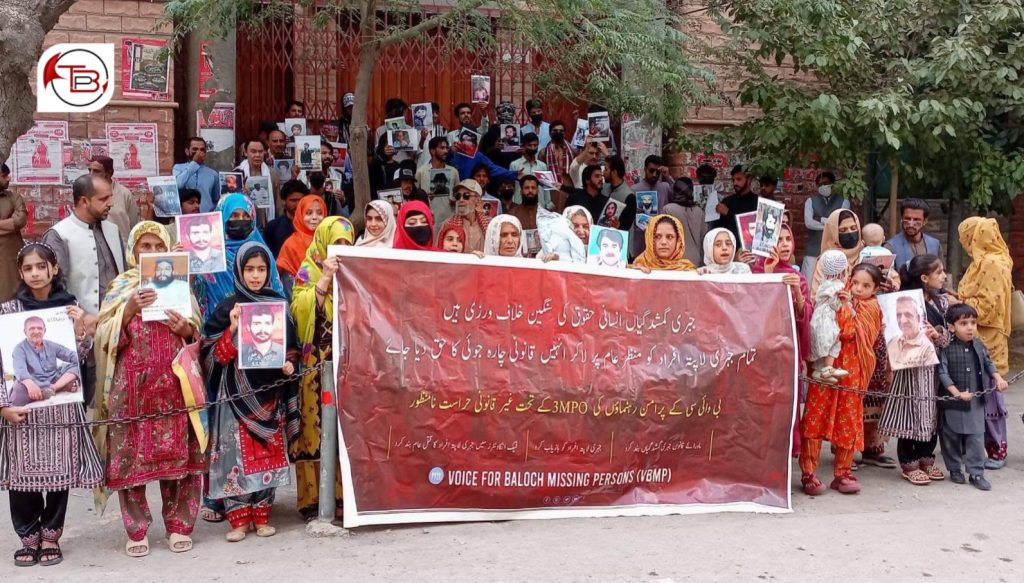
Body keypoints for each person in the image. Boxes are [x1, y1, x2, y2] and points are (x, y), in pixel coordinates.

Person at [93, 222, 204, 558]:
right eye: (146, 246)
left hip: (174, 387)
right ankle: (136, 528)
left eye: (159, 247)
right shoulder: (121, 287)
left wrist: (185, 329)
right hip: (132, 388)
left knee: (182, 456)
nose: (153, 252)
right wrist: (128, 310)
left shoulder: (180, 285)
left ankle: (179, 525)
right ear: (133, 251)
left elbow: (196, 333)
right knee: (129, 458)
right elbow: (102, 337)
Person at [0, 242, 103, 567]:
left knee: (60, 476)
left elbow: (78, 358)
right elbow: (4, 364)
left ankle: (50, 537)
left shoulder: (68, 309)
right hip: (22, 410)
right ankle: (28, 538)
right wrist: (3, 407)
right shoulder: (8, 313)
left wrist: (82, 332)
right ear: (21, 273)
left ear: (53, 269)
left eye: (41, 267)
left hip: (60, 409)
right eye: (28, 268)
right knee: (21, 479)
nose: (35, 273)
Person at [203, 242, 300, 541]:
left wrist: (289, 364)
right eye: (249, 269)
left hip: (269, 395)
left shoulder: (278, 306)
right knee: (235, 456)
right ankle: (239, 520)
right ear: (239, 271)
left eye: (261, 269)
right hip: (234, 397)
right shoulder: (227, 308)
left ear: (269, 271)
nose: (255, 276)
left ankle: (262, 515)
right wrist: (232, 328)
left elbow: (292, 348)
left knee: (266, 452)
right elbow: (212, 357)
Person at [799, 263, 884, 495]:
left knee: (848, 421)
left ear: (875, 289)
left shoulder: (872, 308)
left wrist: (844, 306)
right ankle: (808, 472)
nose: (858, 289)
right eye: (854, 282)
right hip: (825, 370)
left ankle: (843, 473)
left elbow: (850, 332)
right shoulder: (833, 293)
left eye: (865, 286)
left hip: (851, 374)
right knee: (815, 417)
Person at [42, 174, 125, 408]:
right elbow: (52, 288)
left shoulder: (112, 229)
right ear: (84, 201)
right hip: (81, 334)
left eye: (110, 197)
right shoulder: (59, 235)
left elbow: (124, 274)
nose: (110, 203)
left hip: (117, 327)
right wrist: (81, 315)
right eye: (104, 199)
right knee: (86, 398)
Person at [291, 217, 355, 521]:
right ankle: (313, 499)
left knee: (343, 429)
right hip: (314, 364)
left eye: (346, 243)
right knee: (313, 429)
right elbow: (298, 309)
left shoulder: (356, 274)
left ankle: (343, 496)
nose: (340, 248)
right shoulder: (308, 270)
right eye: (335, 242)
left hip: (347, 366)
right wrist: (325, 279)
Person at [878, 254, 951, 485]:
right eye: (939, 272)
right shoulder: (905, 300)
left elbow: (948, 337)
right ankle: (908, 461)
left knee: (932, 413)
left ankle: (926, 457)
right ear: (924, 278)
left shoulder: (941, 303)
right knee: (911, 412)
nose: (944, 276)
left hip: (934, 369)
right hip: (910, 368)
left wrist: (937, 335)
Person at [956, 216, 1013, 469]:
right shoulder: (987, 260)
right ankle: (976, 445)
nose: (964, 242)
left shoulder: (991, 263)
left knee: (989, 396)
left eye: (965, 237)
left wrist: (959, 304)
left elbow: (988, 307)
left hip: (987, 339)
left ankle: (997, 448)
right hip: (975, 337)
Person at [754, 223, 813, 457]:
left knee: (787, 400)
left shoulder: (798, 277)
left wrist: (797, 291)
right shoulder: (756, 273)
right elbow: (753, 309)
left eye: (788, 239)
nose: (785, 245)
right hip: (762, 349)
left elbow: (804, 315)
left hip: (788, 348)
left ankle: (787, 450)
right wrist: (768, 275)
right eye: (779, 240)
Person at [937, 303, 1010, 491]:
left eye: (973, 323)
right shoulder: (946, 348)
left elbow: (988, 363)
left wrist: (998, 379)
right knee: (950, 437)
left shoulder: (979, 345)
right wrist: (956, 393)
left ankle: (976, 473)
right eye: (963, 323)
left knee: (976, 438)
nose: (970, 327)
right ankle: (954, 469)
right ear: (952, 327)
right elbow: (943, 372)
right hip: (952, 403)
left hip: (976, 402)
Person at [200, 194, 284, 317]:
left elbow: (276, 293)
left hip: (258, 321)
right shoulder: (208, 255)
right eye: (234, 216)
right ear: (222, 217)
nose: (241, 220)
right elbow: (198, 291)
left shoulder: (262, 252)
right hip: (218, 322)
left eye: (246, 216)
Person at [809, 250, 852, 383]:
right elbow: (835, 305)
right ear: (842, 270)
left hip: (817, 318)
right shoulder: (838, 286)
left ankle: (818, 370)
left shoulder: (823, 282)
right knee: (834, 341)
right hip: (827, 319)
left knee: (822, 343)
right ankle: (828, 368)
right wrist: (846, 301)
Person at [86, 156, 144, 247]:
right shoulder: (86, 194)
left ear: (109, 173)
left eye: (96, 171)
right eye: (90, 170)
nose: (91, 174)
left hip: (121, 248)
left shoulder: (125, 194)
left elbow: (134, 226)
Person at [801, 171, 849, 280]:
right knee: (809, 281)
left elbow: (842, 223)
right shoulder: (810, 201)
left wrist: (821, 219)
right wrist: (830, 224)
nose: (823, 186)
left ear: (833, 184)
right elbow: (809, 223)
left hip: (835, 249)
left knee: (834, 282)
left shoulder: (844, 201)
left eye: (825, 183)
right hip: (814, 249)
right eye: (820, 184)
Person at [276, 195, 326, 278]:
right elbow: (286, 279)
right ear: (300, 215)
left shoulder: (329, 241)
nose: (314, 217)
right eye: (308, 213)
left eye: (319, 213)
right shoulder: (291, 244)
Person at [660, 177, 706, 267]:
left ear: (675, 191)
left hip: (675, 260)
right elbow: (703, 237)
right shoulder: (699, 211)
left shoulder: (668, 209)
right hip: (695, 260)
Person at [884, 198, 942, 269]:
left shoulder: (935, 244)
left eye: (916, 220)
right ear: (902, 219)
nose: (911, 224)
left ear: (924, 221)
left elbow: (942, 272)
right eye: (907, 219)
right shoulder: (890, 247)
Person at [437, 180, 491, 253]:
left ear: (478, 200)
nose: (461, 200)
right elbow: (438, 253)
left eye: (466, 196)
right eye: (458, 196)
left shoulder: (489, 225)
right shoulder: (447, 224)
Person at [887, 296, 940, 370]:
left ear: (918, 318)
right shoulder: (891, 343)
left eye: (908, 315)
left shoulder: (927, 347)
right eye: (898, 315)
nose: (902, 320)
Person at [416, 136, 460, 226]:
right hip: (429, 219)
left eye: (447, 148)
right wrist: (424, 197)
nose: (446, 151)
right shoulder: (421, 172)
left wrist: (456, 200)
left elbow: (459, 194)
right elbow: (414, 196)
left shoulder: (453, 172)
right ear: (432, 151)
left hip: (449, 219)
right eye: (442, 148)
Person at [235, 139, 281, 222]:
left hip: (267, 222)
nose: (257, 155)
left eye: (260, 151)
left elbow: (278, 202)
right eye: (253, 151)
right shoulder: (237, 173)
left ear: (265, 152)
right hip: (244, 221)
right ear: (245, 153)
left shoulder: (272, 173)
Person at [262, 180, 310, 257]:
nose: (297, 204)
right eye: (293, 200)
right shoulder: (272, 227)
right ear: (284, 201)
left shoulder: (312, 226)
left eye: (301, 200)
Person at [172, 137, 221, 213]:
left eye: (202, 150)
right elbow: (178, 185)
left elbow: (216, 199)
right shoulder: (178, 168)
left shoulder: (213, 174)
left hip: (206, 215)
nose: (198, 152)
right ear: (187, 151)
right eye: (195, 149)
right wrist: (195, 163)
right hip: (186, 216)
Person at [632, 215, 696, 271]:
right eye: (657, 237)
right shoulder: (638, 266)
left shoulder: (687, 269)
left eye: (670, 237)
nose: (663, 242)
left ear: (678, 241)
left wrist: (700, 275)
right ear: (649, 239)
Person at [0, 163, 26, 302]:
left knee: (13, 300)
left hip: (10, 262)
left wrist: (13, 224)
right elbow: (13, 223)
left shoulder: (14, 197)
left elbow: (20, 221)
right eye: (4, 175)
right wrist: (8, 226)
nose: (9, 178)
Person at [714, 165, 758, 243]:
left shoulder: (756, 202)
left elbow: (751, 227)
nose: (735, 183)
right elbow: (717, 229)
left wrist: (728, 213)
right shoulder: (727, 202)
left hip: (749, 248)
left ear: (749, 180)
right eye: (733, 180)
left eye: (739, 179)